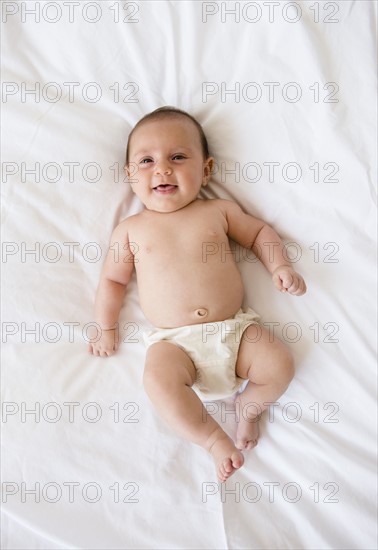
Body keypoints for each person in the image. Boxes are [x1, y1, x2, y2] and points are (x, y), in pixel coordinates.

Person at [89, 106, 307, 482]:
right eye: (146, 161)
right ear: (129, 176)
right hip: (175, 345)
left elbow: (259, 234)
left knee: (279, 365)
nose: (162, 169)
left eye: (177, 157)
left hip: (235, 333)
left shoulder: (218, 211)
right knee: (157, 382)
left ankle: (250, 408)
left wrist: (280, 266)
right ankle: (211, 439)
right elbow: (112, 281)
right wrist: (105, 326)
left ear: (206, 170)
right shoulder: (130, 230)